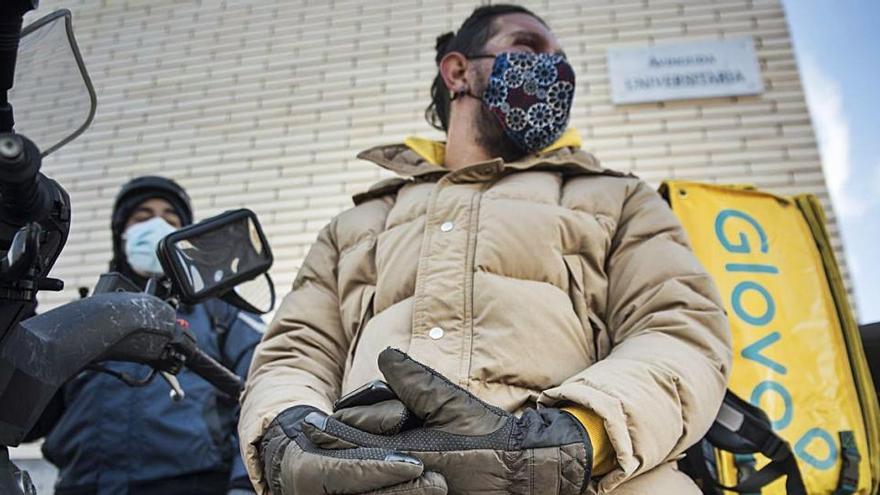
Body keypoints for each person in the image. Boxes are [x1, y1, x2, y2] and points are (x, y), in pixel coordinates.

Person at [240, 5, 732, 495]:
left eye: (560, 58)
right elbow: (295, 354)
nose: (554, 69)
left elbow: (680, 331)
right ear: (458, 71)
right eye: (528, 47)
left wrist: (570, 440)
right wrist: (287, 440)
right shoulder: (357, 225)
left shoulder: (618, 199)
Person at [35, 176, 264, 495]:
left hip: (192, 484)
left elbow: (262, 391)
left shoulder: (220, 313)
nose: (157, 225)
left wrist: (245, 484)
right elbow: (31, 417)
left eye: (171, 220)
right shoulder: (82, 316)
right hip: (82, 485)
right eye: (142, 217)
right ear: (121, 233)